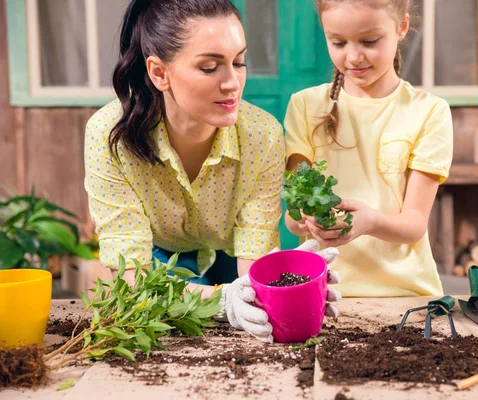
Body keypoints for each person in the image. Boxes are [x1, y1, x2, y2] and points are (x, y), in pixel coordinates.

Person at [84, 0, 339, 343]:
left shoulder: (261, 136)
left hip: (229, 255)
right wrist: (222, 302)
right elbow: (132, 280)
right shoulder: (110, 137)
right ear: (159, 73)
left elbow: (253, 272)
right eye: (210, 67)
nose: (233, 83)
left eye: (239, 62)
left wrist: (286, 289)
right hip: (157, 260)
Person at [284, 0, 453, 297]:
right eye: (337, 42)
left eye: (369, 41)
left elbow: (414, 224)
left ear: (401, 27)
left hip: (406, 294)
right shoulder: (305, 105)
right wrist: (306, 221)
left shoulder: (429, 111)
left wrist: (370, 222)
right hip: (325, 292)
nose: (353, 56)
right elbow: (293, 220)